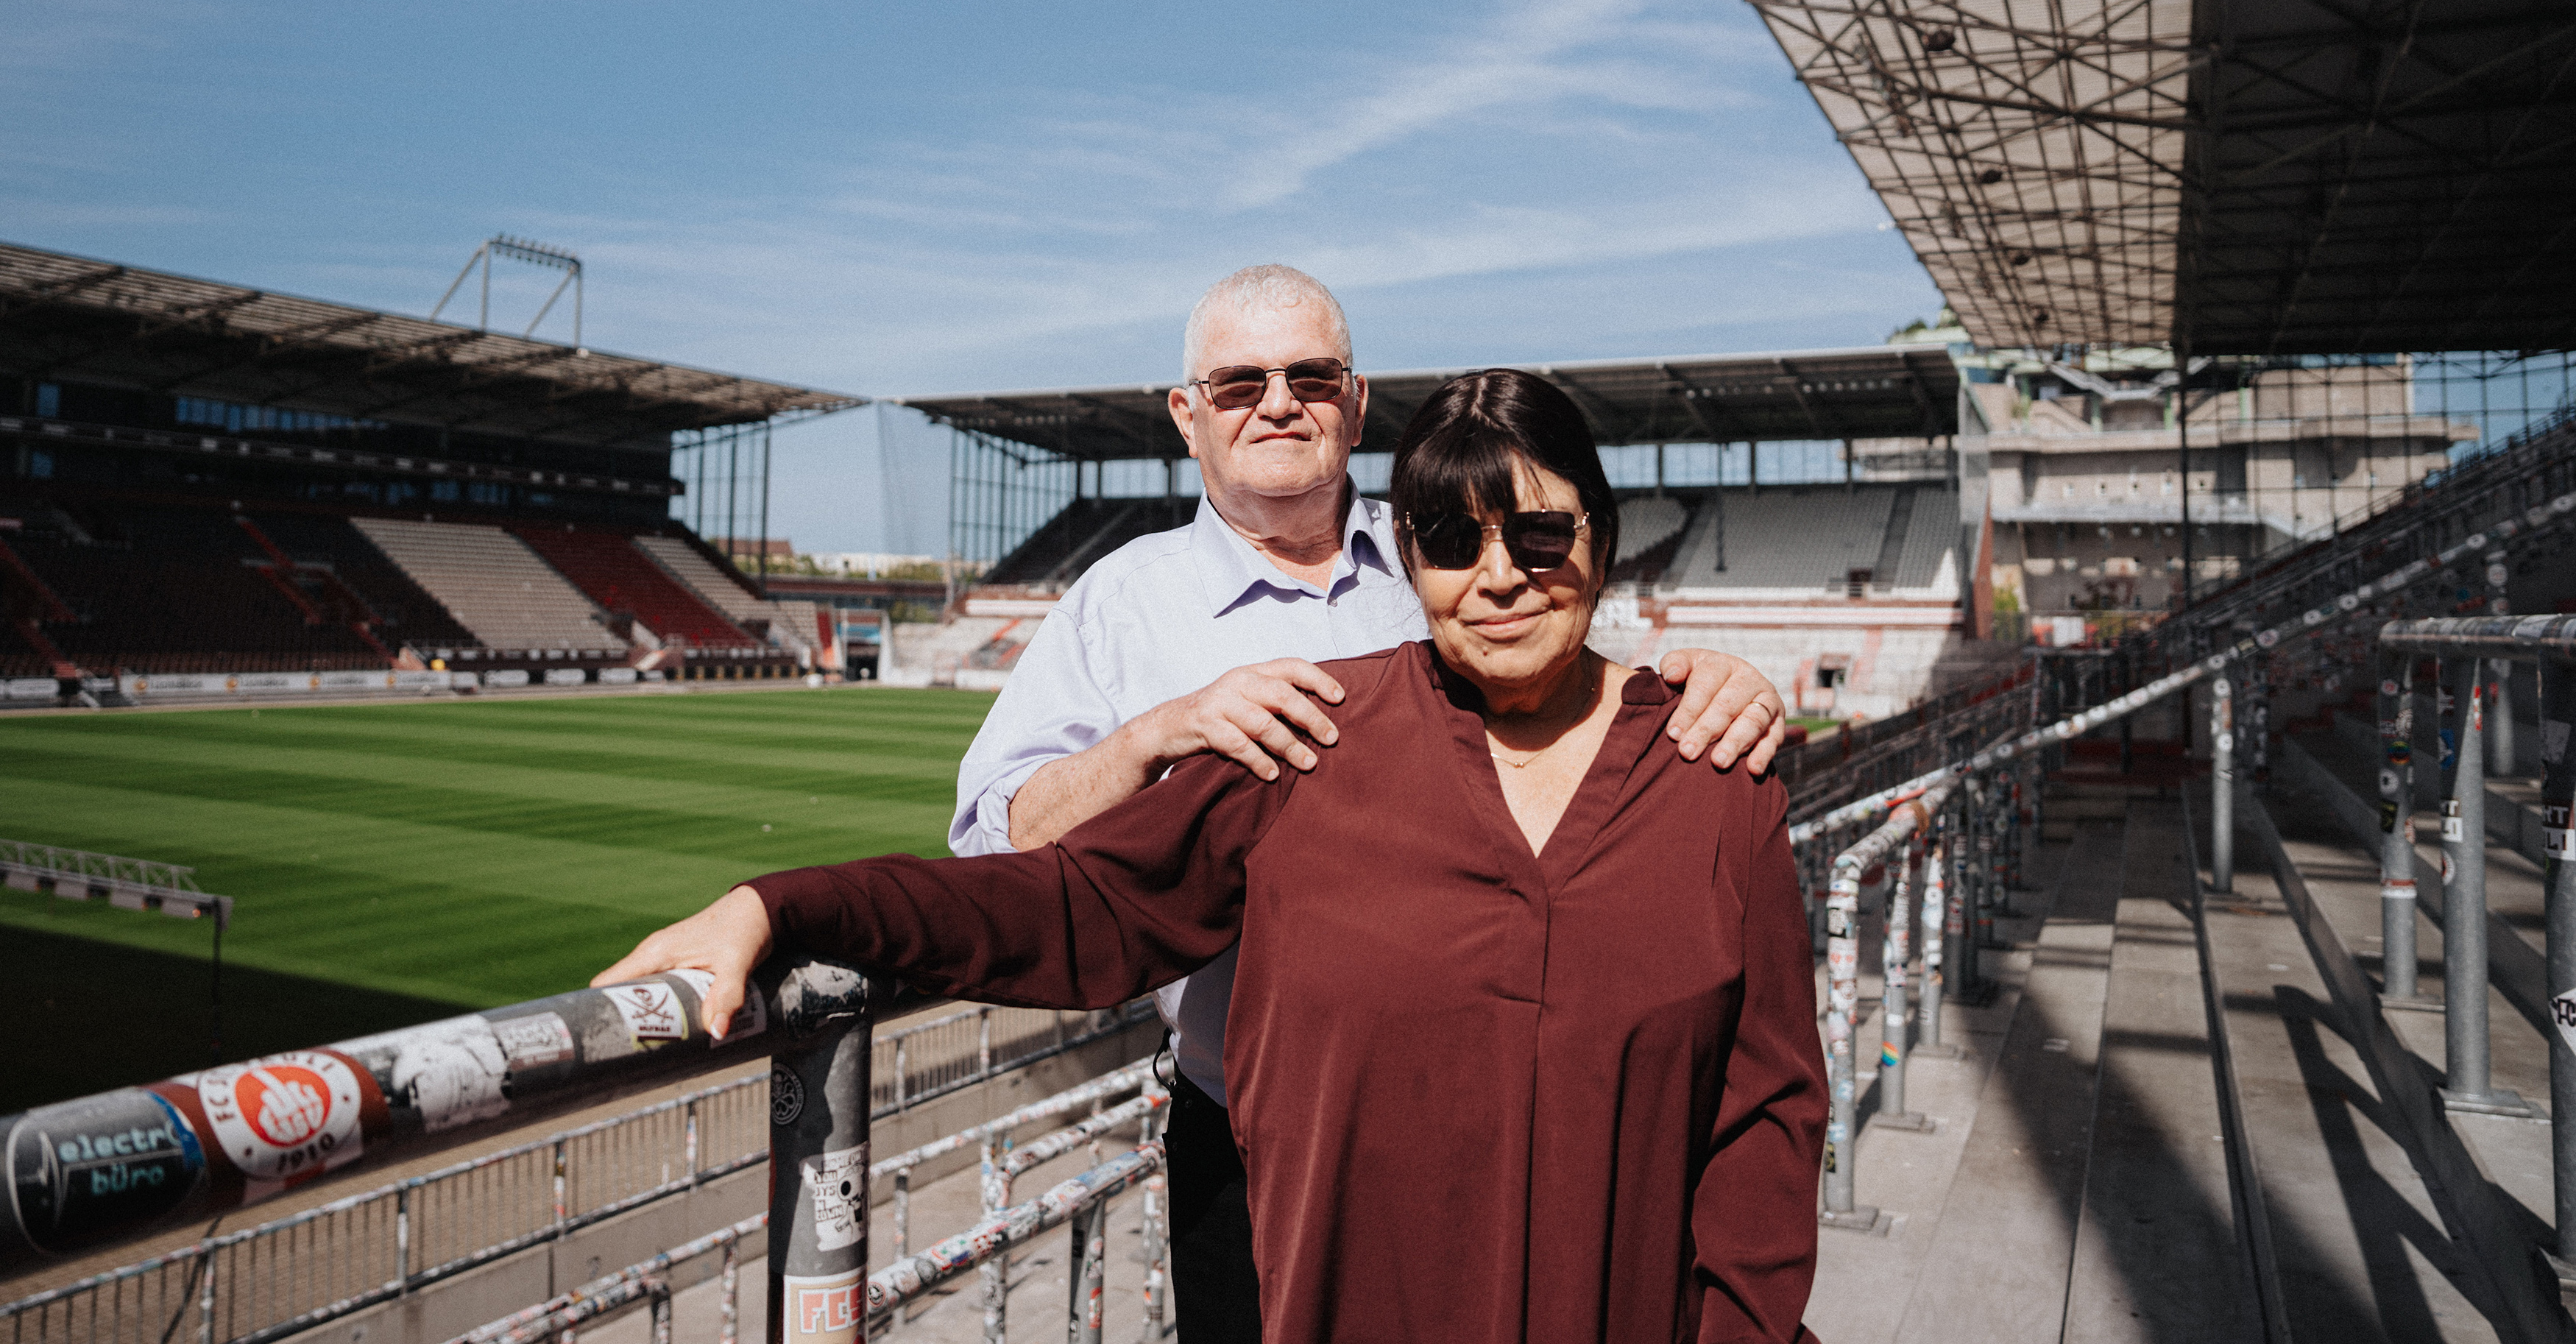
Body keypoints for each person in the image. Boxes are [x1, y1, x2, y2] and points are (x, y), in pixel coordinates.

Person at [599, 368, 1825, 1344]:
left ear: (1603, 543)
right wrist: (781, 903)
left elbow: (1767, 1113)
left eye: (1542, 535)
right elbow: (1063, 906)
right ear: (1412, 560)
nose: (1500, 574)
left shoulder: (1719, 778)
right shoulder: (1306, 741)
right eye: (1455, 537)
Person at [948, 266, 1791, 1337]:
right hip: (1253, 1135)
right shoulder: (1119, 602)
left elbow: (1581, 710)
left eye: (1310, 374)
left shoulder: (1447, 538)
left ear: (1354, 401)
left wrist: (1718, 679)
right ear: (1187, 413)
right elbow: (995, 849)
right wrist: (1155, 734)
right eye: (1240, 382)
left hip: (1495, 1120)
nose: (1278, 402)